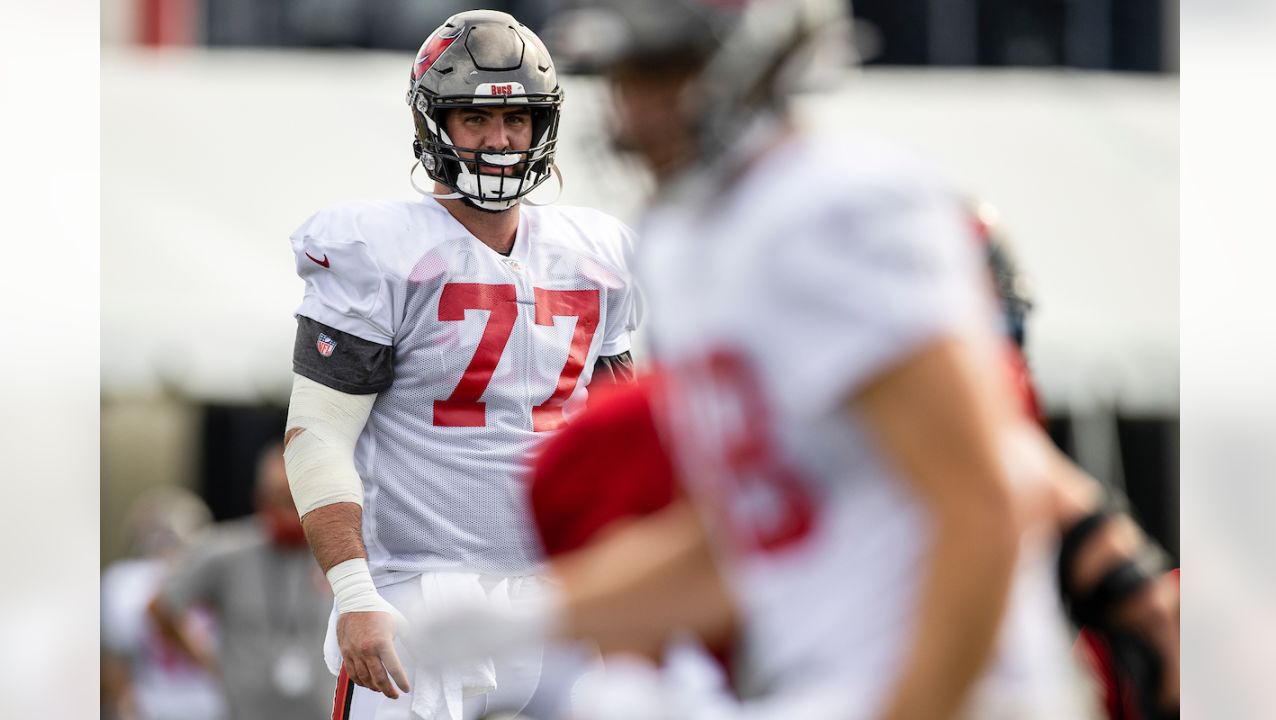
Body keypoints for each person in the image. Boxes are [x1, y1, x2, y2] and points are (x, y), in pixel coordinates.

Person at [404, 1, 1176, 718]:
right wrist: (541, 616)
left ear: (758, 63)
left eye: (667, 72)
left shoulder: (837, 207)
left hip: (949, 690)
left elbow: (981, 505)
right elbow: (743, 537)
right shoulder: (685, 243)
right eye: (629, 75)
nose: (636, 108)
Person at [280, 9, 641, 720]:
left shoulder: (598, 251)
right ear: (432, 125)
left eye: (518, 120)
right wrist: (356, 595)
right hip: (419, 595)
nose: (500, 140)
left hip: (561, 593)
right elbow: (318, 435)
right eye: (474, 118)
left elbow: (617, 445)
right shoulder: (379, 247)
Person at [148, 444, 334, 720]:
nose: (288, 514)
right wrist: (206, 660)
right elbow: (161, 607)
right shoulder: (226, 551)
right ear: (259, 499)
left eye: (297, 500)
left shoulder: (336, 552)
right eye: (278, 499)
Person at [101, 487, 224, 720]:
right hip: (155, 705)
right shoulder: (127, 582)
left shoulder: (217, 573)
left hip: (211, 705)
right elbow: (118, 657)